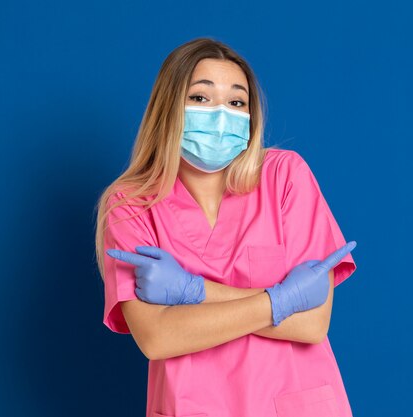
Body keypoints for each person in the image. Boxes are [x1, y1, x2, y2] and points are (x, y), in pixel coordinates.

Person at [94, 37, 358, 417]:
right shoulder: (132, 203)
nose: (221, 115)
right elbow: (157, 337)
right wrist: (282, 300)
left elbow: (312, 324)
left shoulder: (285, 177)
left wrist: (193, 292)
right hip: (193, 406)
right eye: (201, 98)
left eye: (236, 102)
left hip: (296, 404)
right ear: (168, 108)